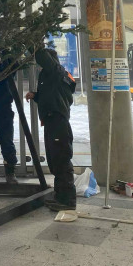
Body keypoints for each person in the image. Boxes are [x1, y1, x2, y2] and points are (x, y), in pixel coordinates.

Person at [25, 44, 77, 211]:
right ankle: (60, 196)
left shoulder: (56, 71)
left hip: (58, 122)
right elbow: (52, 95)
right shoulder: (50, 76)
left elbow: (43, 58)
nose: (40, 65)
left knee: (61, 160)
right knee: (55, 160)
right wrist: (36, 96)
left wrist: (32, 43)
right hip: (51, 121)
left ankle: (67, 200)